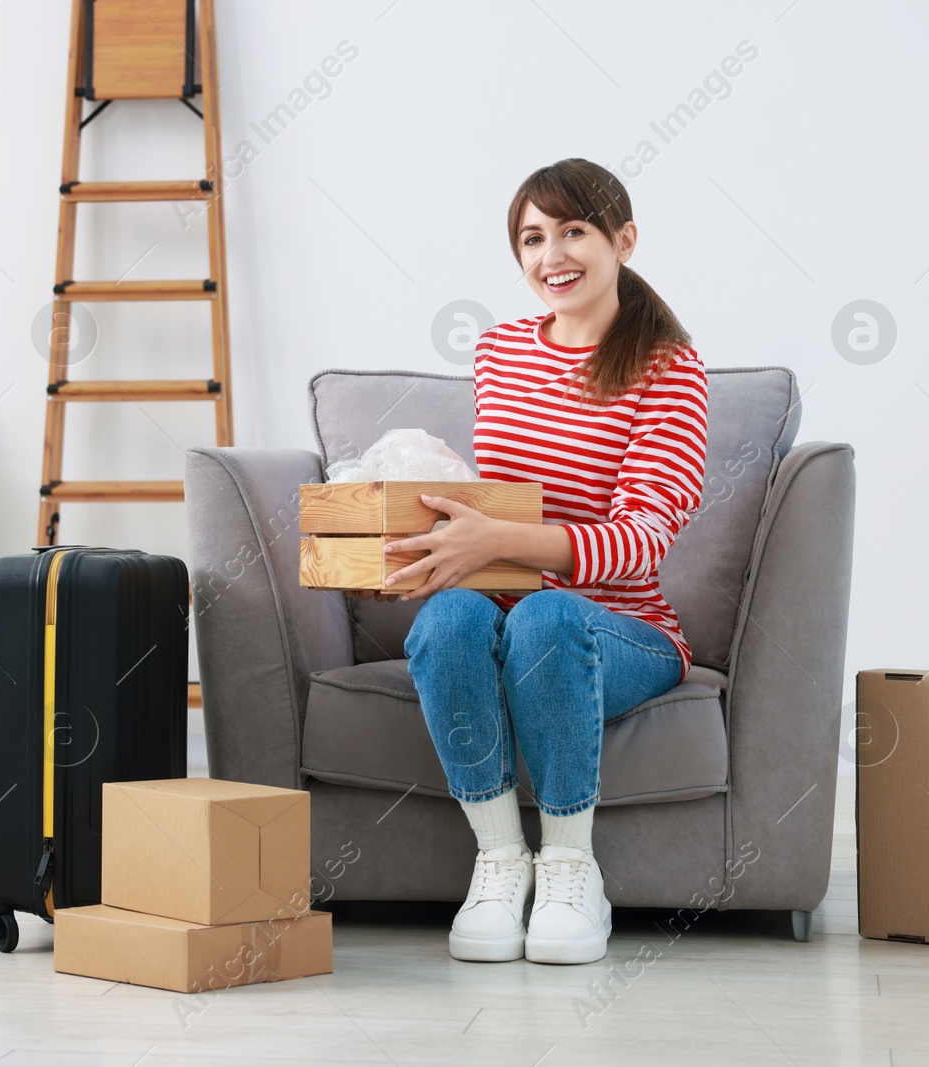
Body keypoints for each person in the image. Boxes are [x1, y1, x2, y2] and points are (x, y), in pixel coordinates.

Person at [361, 158, 708, 965]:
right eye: (532, 237)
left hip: (624, 629)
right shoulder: (499, 352)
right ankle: (499, 859)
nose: (552, 253)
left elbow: (642, 539)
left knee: (548, 616)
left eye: (574, 230)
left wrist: (499, 542)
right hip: (506, 604)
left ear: (623, 239)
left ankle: (569, 866)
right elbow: (496, 499)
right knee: (448, 617)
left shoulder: (668, 367)